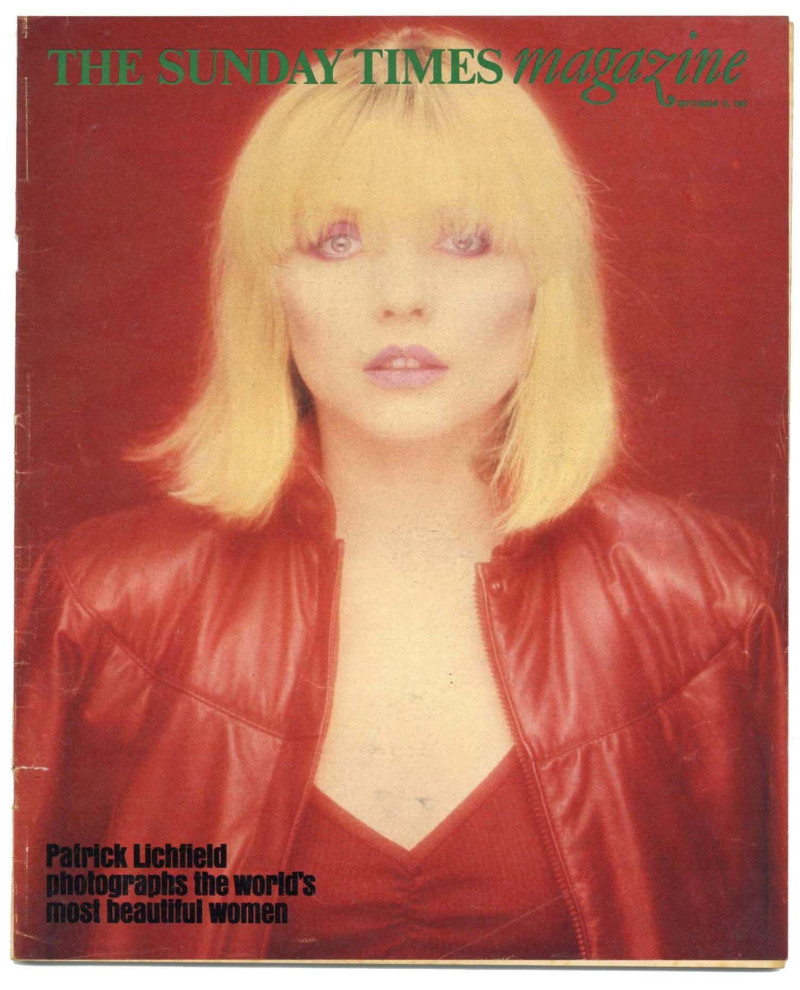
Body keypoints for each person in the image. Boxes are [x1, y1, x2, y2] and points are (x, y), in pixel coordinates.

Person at [15, 29, 785, 962]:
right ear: (268, 290)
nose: (403, 295)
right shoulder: (104, 603)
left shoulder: (709, 603)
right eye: (337, 241)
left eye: (466, 240)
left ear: (544, 284)